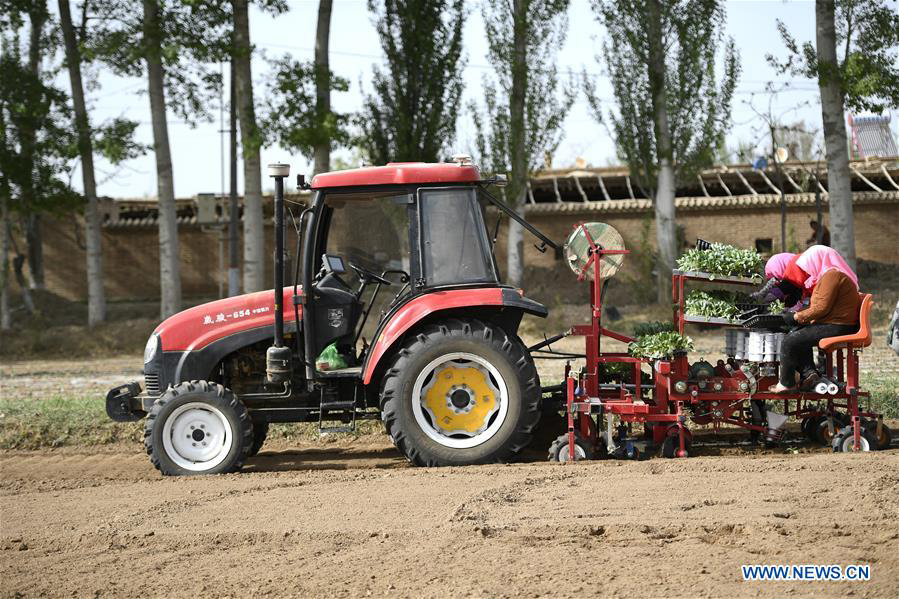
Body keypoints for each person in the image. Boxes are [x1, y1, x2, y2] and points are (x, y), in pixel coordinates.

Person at [767, 246, 861, 393]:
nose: (807, 270)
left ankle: (786, 384)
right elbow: (819, 306)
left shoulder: (832, 276)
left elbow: (820, 308)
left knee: (790, 341)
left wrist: (796, 316)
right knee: (797, 334)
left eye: (808, 265)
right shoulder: (827, 276)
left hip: (838, 325)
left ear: (817, 261)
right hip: (835, 323)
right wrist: (798, 318)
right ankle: (809, 375)